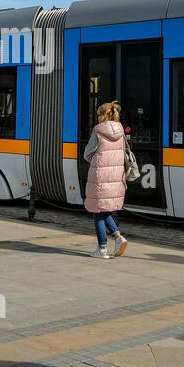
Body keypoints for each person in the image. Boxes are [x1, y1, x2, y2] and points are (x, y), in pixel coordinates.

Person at [83, 100, 129, 259]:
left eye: (97, 115)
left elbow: (87, 154)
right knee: (105, 210)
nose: (96, 118)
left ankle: (102, 249)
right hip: (116, 177)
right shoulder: (121, 131)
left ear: (103, 115)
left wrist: (96, 161)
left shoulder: (98, 132)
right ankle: (118, 237)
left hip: (100, 177)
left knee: (97, 212)